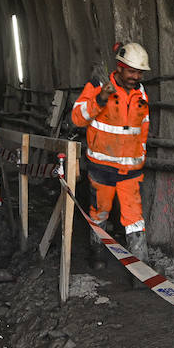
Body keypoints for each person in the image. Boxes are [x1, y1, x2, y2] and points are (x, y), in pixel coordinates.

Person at [71, 42, 151, 262]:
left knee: (135, 220)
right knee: (100, 214)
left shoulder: (142, 94)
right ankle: (97, 257)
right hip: (101, 168)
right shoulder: (98, 85)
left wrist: (139, 158)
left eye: (140, 72)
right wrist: (99, 99)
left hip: (130, 171)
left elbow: (143, 127)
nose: (136, 77)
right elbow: (77, 117)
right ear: (119, 66)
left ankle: (141, 270)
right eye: (132, 71)